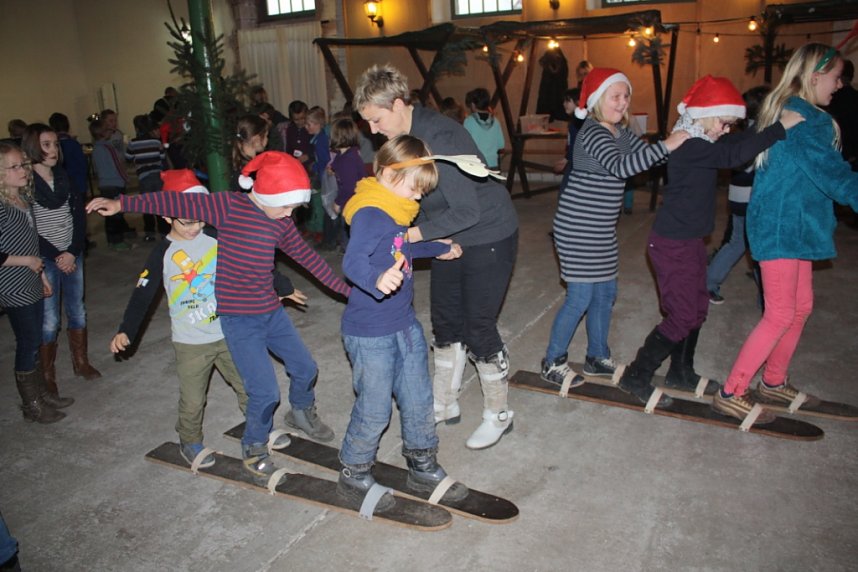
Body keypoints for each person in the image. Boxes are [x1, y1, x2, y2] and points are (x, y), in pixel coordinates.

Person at [86, 151, 350, 482]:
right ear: (266, 194)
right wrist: (122, 204)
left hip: (270, 311)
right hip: (239, 320)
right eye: (286, 206)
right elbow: (175, 205)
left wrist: (348, 292)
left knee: (306, 367)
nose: (290, 214)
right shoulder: (227, 207)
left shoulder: (280, 222)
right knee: (265, 392)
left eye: (293, 207)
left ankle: (300, 411)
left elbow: (310, 260)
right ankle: (253, 447)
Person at [354, 64, 519, 450]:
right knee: (445, 321)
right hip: (448, 234)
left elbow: (467, 212)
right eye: (367, 123)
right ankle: (444, 402)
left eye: (376, 120)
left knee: (478, 325)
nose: (373, 131)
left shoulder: (441, 136)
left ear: (398, 104)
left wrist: (403, 235)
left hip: (488, 232)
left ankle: (498, 413)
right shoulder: (402, 137)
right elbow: (414, 199)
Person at [616, 75, 804, 408]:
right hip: (671, 243)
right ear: (705, 114)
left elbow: (734, 145)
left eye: (730, 124)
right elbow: (734, 157)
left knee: (698, 307)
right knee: (682, 315)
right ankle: (636, 375)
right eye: (723, 121)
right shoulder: (690, 144)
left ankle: (681, 371)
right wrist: (779, 129)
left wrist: (762, 125)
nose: (725, 129)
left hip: (689, 242)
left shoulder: (706, 139)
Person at [108, 170, 293, 468]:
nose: (195, 227)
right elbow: (142, 294)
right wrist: (126, 330)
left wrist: (282, 285)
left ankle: (261, 431)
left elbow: (252, 260)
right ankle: (190, 440)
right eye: (186, 220)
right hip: (190, 342)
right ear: (167, 216)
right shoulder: (162, 253)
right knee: (193, 400)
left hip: (230, 330)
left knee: (250, 386)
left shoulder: (216, 237)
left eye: (199, 218)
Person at [714, 44, 858, 421]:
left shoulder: (802, 114)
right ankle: (733, 389)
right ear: (814, 78)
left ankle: (773, 381)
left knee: (800, 308)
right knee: (780, 313)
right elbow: (836, 175)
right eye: (835, 78)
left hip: (796, 227)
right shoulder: (807, 120)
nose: (839, 85)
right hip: (781, 228)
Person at [337, 134, 468, 513]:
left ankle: (421, 463)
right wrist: (376, 279)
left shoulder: (394, 211)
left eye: (422, 192)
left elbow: (400, 247)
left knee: (418, 397)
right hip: (370, 333)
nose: (418, 199)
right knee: (376, 406)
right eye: (414, 189)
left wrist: (437, 248)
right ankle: (354, 470)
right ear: (388, 174)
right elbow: (352, 261)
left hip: (404, 324)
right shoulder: (371, 213)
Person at [540, 69, 689, 389]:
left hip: (600, 229)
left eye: (626, 96)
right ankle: (552, 362)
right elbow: (624, 166)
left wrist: (686, 139)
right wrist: (667, 145)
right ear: (597, 100)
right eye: (615, 96)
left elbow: (647, 156)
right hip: (576, 229)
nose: (623, 102)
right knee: (580, 297)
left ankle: (596, 356)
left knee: (605, 293)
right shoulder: (592, 132)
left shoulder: (617, 131)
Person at [23, 123, 99, 403]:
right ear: (32, 147)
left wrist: (73, 249)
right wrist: (58, 254)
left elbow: (78, 217)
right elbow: (31, 228)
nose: (53, 150)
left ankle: (81, 362)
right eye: (46, 145)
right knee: (50, 319)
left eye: (55, 144)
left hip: (71, 253)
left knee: (77, 308)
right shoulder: (27, 185)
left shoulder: (64, 178)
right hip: (47, 258)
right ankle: (47, 375)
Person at [0, 142, 64, 423]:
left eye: (23, 165)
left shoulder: (22, 200)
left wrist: (41, 274)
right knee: (27, 341)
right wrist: (26, 262)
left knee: (36, 338)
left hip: (31, 277)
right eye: (14, 167)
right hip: (14, 283)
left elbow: (31, 242)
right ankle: (32, 405)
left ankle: (41, 393)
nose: (22, 171)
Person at [706, 86, 770, 305]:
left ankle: (709, 282)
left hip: (740, 196)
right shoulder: (759, 135)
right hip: (750, 199)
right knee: (758, 246)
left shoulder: (744, 134)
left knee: (738, 243)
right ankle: (768, 295)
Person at [89, 117, 133, 250]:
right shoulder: (108, 148)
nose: (111, 132)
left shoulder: (96, 148)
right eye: (108, 130)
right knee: (116, 213)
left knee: (108, 214)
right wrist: (125, 177)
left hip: (104, 184)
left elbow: (96, 169)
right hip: (115, 184)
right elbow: (118, 165)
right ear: (103, 132)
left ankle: (112, 240)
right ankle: (117, 240)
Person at [126, 115, 169, 241]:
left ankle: (149, 233)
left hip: (144, 177)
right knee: (160, 205)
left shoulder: (133, 143)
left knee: (146, 205)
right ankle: (164, 232)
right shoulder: (156, 142)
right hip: (157, 175)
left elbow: (128, 158)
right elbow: (162, 157)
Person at [329, 117, 366, 251]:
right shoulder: (347, 154)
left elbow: (350, 187)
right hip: (351, 201)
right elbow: (337, 163)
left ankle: (352, 257)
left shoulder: (348, 159)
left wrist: (338, 202)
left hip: (352, 202)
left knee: (350, 236)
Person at [48, 113, 89, 199]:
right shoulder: (74, 144)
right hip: (79, 184)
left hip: (65, 186)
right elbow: (83, 165)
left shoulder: (55, 147)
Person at [463, 88, 505, 170]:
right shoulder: (495, 121)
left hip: (476, 163)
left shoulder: (469, 121)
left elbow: (465, 143)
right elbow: (501, 145)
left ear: (473, 105)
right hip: (493, 164)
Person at [305, 106, 330, 246]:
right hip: (321, 176)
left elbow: (325, 161)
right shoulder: (318, 138)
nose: (306, 127)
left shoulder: (321, 140)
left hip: (322, 177)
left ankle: (320, 231)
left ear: (318, 124)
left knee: (319, 204)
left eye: (309, 124)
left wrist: (314, 166)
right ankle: (317, 229)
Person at [553, 88, 582, 192]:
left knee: (566, 190)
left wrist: (566, 160)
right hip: (574, 161)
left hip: (577, 162)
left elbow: (576, 144)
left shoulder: (577, 122)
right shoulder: (574, 120)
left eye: (567, 101)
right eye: (564, 101)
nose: (564, 104)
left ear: (578, 102)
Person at [230, 114, 269, 188]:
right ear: (257, 140)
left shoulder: (239, 166)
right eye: (266, 136)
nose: (267, 139)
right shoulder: (251, 172)